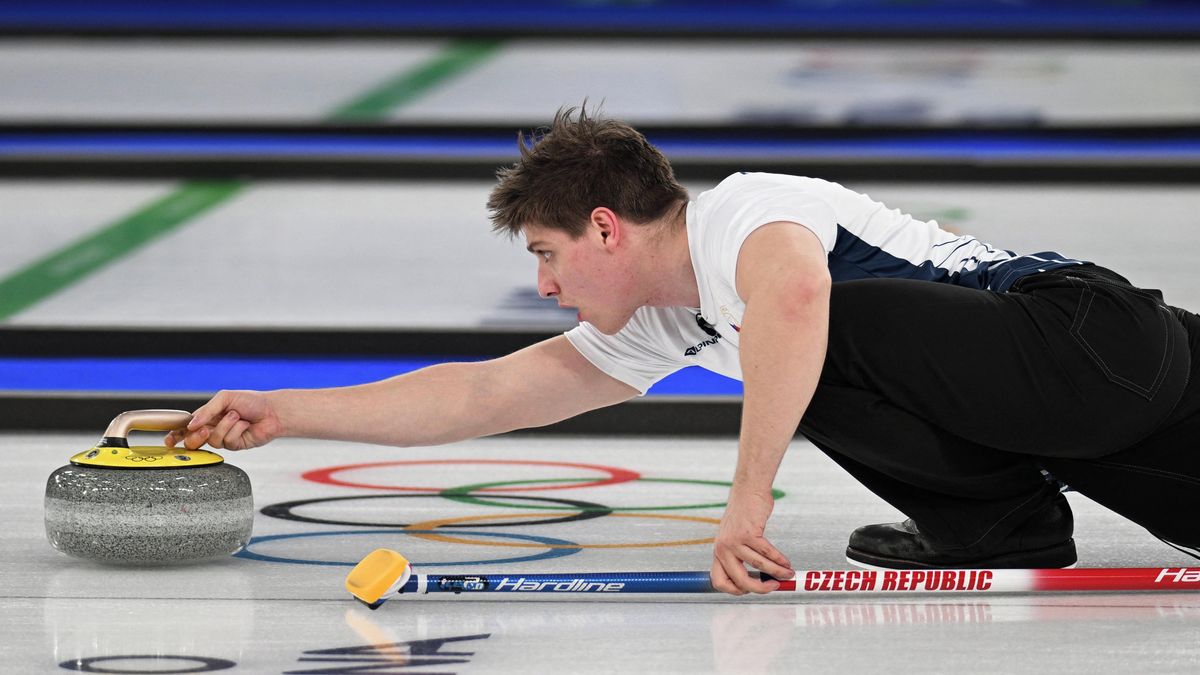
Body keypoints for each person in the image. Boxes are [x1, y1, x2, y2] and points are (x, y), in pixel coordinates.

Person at [166, 106, 1200, 596]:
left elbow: (797, 298)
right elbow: (480, 396)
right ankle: (1005, 523)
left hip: (1088, 337)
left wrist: (744, 505)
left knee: (806, 332)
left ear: (607, 227)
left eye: (548, 254)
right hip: (1100, 413)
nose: (546, 286)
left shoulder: (744, 215)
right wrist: (288, 410)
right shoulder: (665, 322)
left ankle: (997, 524)